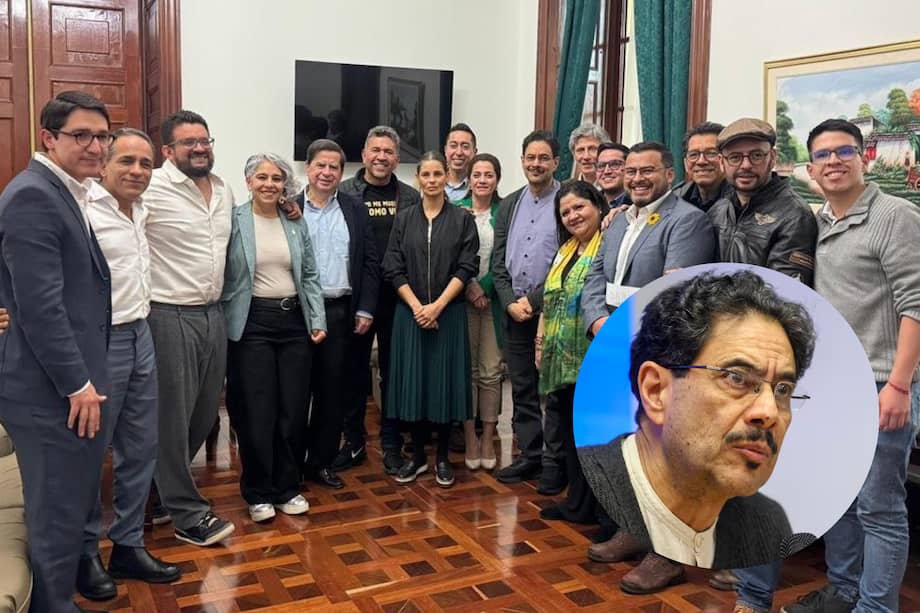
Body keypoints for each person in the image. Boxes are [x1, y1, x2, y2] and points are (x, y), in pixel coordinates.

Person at [747, 120, 920, 613]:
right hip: (834, 385)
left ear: (864, 158)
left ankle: (876, 607)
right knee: (839, 497)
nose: (834, 161)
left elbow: (916, 304)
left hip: (882, 385)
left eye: (844, 151)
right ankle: (844, 592)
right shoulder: (821, 221)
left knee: (880, 510)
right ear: (811, 167)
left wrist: (900, 386)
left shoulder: (896, 216)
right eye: (823, 155)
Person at [580, 270, 817, 570]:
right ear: (655, 391)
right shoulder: (599, 475)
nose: (769, 412)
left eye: (782, 389)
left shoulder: (768, 519)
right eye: (737, 377)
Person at [579, 140, 718, 594]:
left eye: (647, 171)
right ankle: (636, 530)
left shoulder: (688, 221)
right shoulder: (619, 219)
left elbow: (672, 290)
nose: (637, 179)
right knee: (631, 446)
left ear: (669, 174)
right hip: (615, 341)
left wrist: (621, 327)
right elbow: (595, 276)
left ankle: (669, 555)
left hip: (661, 350)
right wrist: (597, 320)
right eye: (632, 171)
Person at [0, 90, 112, 612]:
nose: (95, 146)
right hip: (47, 390)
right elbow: (40, 308)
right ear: (48, 138)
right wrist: (77, 384)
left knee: (67, 505)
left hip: (65, 383)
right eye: (80, 135)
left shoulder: (66, 190)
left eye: (102, 136)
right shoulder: (33, 196)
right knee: (55, 513)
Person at [77, 129, 181, 603]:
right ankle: (84, 554)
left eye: (145, 163)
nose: (137, 171)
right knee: (90, 451)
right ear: (104, 164)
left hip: (141, 332)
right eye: (126, 161)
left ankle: (128, 545)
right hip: (99, 342)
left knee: (140, 447)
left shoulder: (141, 210)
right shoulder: (82, 209)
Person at [144, 110, 237, 547]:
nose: (200, 148)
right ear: (168, 150)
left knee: (204, 413)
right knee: (172, 417)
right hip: (168, 314)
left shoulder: (223, 189)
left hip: (213, 314)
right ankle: (188, 514)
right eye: (189, 143)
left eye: (205, 140)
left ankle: (157, 491)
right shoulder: (150, 188)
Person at [223, 153, 327, 522]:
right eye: (262, 177)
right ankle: (258, 492)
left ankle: (287, 487)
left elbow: (310, 273)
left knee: (293, 409)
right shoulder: (233, 220)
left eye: (276, 178)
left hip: (294, 322)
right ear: (249, 181)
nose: (269, 184)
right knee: (257, 411)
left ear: (285, 185)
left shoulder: (294, 220)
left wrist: (317, 318)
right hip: (252, 323)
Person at [382, 151, 479, 488]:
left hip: (447, 314)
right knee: (416, 385)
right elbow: (392, 265)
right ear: (418, 179)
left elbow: (467, 266)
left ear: (446, 177)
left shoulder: (462, 219)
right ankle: (419, 456)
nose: (433, 180)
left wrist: (436, 307)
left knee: (444, 385)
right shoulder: (404, 219)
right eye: (426, 174)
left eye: (438, 174)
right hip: (410, 315)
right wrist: (417, 307)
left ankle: (442, 458)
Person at [293, 139, 378, 490]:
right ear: (308, 168)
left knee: (331, 393)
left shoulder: (354, 209)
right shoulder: (289, 207)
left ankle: (321, 463)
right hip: (297, 313)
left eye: (334, 167)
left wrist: (365, 307)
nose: (327, 173)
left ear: (342, 173)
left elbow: (370, 261)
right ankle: (292, 465)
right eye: (321, 165)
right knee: (296, 393)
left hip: (340, 310)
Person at [335, 126, 421, 474]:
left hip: (398, 299)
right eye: (375, 150)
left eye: (388, 152)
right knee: (353, 373)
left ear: (397, 159)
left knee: (393, 373)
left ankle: (391, 443)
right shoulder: (344, 192)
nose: (381, 157)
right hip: (357, 300)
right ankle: (354, 442)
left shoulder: (411, 197)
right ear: (364, 154)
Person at [492, 130, 562, 484]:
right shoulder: (509, 203)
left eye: (543, 158)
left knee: (555, 391)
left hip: (554, 312)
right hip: (514, 313)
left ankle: (555, 463)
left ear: (556, 163)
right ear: (522, 161)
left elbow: (570, 261)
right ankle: (530, 455)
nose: (536, 164)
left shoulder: (568, 200)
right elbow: (497, 261)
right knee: (522, 387)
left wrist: (533, 302)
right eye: (530, 158)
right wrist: (509, 302)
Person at [535, 181, 607, 496]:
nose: (573, 216)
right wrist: (540, 342)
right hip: (559, 359)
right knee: (568, 430)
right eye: (565, 212)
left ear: (598, 206)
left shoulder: (608, 245)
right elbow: (550, 299)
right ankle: (575, 501)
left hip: (591, 357)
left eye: (579, 207)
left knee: (591, 436)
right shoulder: (565, 251)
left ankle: (592, 505)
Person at [708, 118, 817, 285]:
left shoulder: (794, 215)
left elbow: (782, 291)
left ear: (772, 157)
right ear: (722, 162)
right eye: (735, 157)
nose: (746, 165)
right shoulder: (718, 210)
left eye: (757, 155)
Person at [456, 153, 504, 471]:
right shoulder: (456, 209)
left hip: (494, 302)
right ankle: (469, 438)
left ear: (497, 179)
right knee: (467, 372)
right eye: (477, 175)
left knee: (491, 371)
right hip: (461, 299)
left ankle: (487, 437)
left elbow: (506, 255)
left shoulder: (506, 211)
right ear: (469, 179)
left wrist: (484, 288)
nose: (482, 180)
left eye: (489, 175)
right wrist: (470, 287)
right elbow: (449, 254)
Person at [674, 121, 731, 212]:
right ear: (685, 163)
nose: (701, 161)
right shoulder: (674, 201)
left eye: (711, 153)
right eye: (693, 155)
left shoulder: (741, 201)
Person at [444, 123, 478, 202]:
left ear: (474, 152)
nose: (459, 152)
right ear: (445, 150)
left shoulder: (480, 186)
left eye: (465, 147)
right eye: (453, 146)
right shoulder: (431, 182)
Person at [596, 142, 631, 207]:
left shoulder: (638, 204)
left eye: (615, 164)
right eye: (601, 165)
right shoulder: (589, 202)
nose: (606, 171)